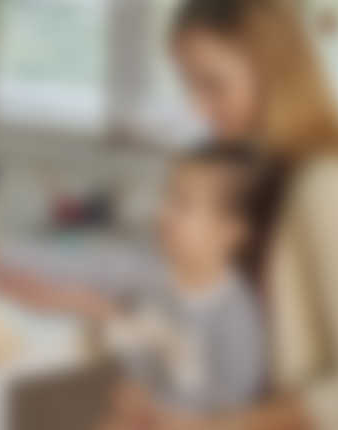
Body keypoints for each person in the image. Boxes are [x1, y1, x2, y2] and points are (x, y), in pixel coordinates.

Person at [166, 0, 338, 429]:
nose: (198, 109)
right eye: (190, 85)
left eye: (213, 85)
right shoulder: (260, 177)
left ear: (272, 72)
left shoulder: (335, 189)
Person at [102, 144, 266, 428]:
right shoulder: (156, 289)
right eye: (167, 198)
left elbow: (232, 411)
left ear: (230, 231)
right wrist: (133, 391)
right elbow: (140, 359)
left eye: (182, 204)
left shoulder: (235, 317)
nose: (163, 212)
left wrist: (166, 417)